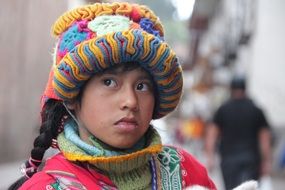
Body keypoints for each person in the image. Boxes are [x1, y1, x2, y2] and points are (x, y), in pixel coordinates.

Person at [9, 2, 216, 190]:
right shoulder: (44, 186)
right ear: (73, 98)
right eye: (109, 82)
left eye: (142, 86)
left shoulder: (186, 171)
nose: (131, 102)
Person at [205, 76, 272, 190]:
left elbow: (212, 134)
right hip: (251, 160)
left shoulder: (223, 109)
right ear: (245, 89)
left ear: (231, 89)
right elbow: (264, 138)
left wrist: (210, 157)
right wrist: (266, 161)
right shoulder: (256, 110)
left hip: (229, 161)